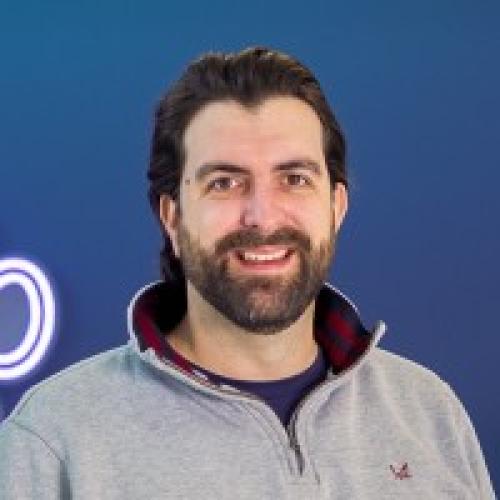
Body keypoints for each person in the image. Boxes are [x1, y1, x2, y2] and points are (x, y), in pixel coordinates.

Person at [0, 47, 495, 499]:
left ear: (336, 207)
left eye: (294, 179)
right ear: (172, 217)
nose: (262, 216)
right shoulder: (55, 441)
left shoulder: (428, 414)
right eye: (224, 182)